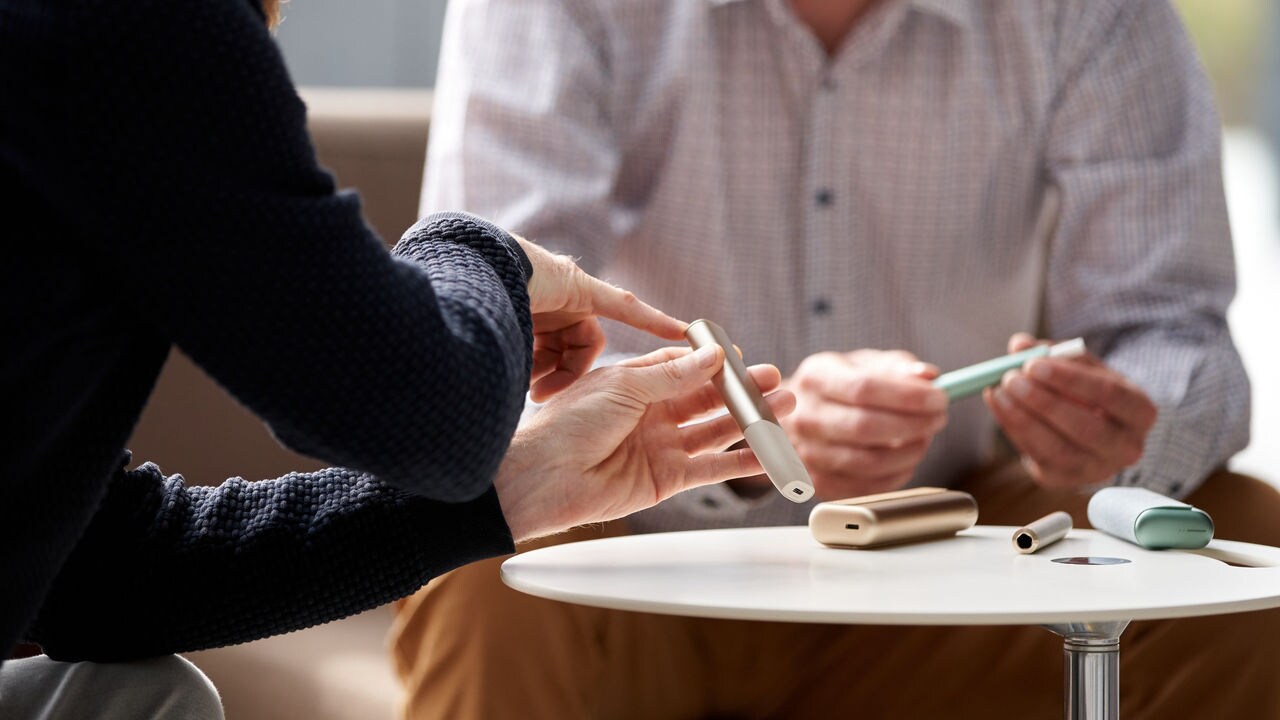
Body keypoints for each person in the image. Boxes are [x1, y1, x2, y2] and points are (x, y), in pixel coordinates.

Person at [394, 0, 1280, 717]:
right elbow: (484, 361)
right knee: (475, 560)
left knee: (1244, 532)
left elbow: (1177, 327)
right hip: (629, 562)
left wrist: (1120, 434)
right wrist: (739, 443)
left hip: (955, 564)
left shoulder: (1089, 14)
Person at [0, 0, 795, 717]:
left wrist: (509, 492)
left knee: (145, 700)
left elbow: (84, 575)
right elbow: (430, 410)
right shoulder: (133, 24)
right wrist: (479, 251)